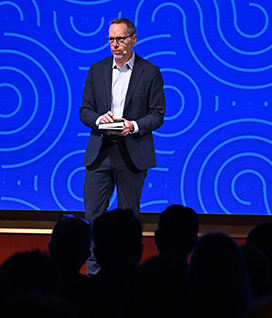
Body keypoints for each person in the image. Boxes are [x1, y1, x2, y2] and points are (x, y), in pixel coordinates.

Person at [79, 17, 165, 274]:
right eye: (111, 39)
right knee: (94, 216)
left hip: (131, 152)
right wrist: (98, 119)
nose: (115, 44)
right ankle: (95, 275)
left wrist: (134, 125)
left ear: (133, 39)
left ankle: (125, 275)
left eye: (120, 39)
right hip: (100, 152)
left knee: (128, 219)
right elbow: (84, 111)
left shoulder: (150, 72)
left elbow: (157, 114)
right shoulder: (97, 69)